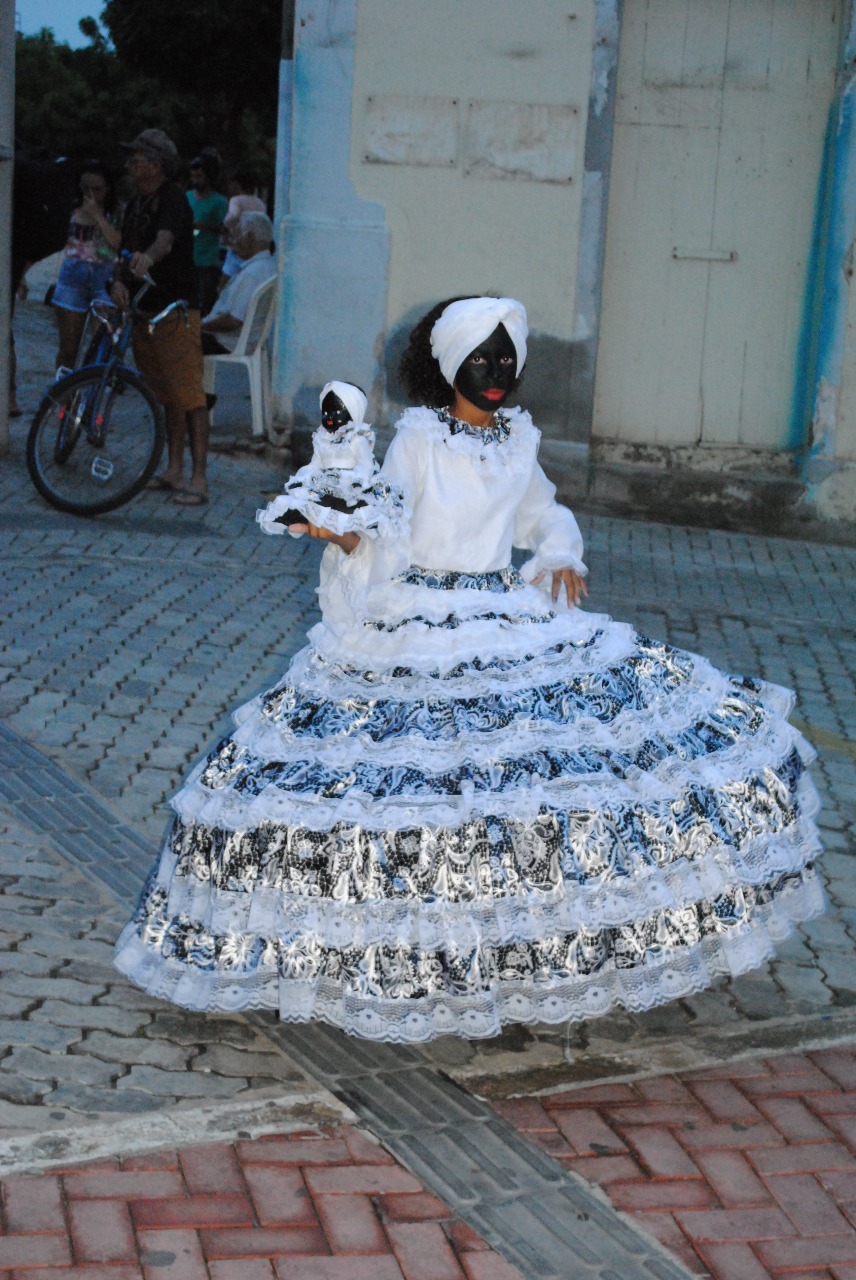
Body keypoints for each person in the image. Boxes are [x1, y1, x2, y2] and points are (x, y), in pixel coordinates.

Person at [114, 294, 824, 1043]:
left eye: (506, 359)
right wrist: (341, 536)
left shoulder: (518, 439)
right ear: (449, 365)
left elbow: (543, 513)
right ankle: (394, 956)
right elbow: (387, 525)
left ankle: (531, 953)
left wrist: (559, 552)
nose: (495, 374)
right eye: (480, 360)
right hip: (418, 619)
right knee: (409, 794)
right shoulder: (419, 439)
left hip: (507, 611)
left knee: (560, 782)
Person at [112, 128, 211, 506]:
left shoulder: (172, 199)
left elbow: (164, 241)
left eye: (136, 159)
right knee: (167, 394)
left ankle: (199, 479)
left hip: (174, 309)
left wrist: (148, 259)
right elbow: (125, 251)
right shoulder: (136, 203)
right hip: (144, 309)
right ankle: (173, 469)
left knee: (189, 394)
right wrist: (118, 281)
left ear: (155, 165)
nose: (129, 165)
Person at [256, 381, 406, 539]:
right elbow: (315, 464)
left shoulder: (356, 440)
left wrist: (358, 480)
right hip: (324, 485)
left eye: (336, 412)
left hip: (349, 487)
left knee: (351, 509)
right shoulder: (323, 440)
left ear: (353, 414)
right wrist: (302, 477)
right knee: (302, 501)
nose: (329, 416)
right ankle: (301, 517)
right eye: (326, 412)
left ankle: (348, 526)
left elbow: (365, 464)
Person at [52, 160, 121, 376]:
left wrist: (98, 216)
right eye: (85, 189)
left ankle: (93, 391)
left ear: (107, 189)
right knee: (68, 349)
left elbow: (119, 244)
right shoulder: (70, 209)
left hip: (104, 279)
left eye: (97, 189)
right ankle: (63, 391)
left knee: (100, 348)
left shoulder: (116, 213)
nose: (90, 194)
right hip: (72, 278)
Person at [199, 211, 276, 355]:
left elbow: (233, 321)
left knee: (174, 336)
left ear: (250, 237)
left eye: (238, 235)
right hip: (238, 342)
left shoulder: (253, 273)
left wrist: (200, 326)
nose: (234, 241)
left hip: (226, 344)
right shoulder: (269, 266)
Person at [186, 150, 227, 317]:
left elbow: (224, 228)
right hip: (187, 260)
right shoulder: (186, 197)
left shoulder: (219, 201)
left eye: (199, 177)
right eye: (193, 177)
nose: (195, 180)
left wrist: (204, 225)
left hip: (207, 261)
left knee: (202, 305)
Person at [219, 168, 266, 285]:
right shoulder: (260, 203)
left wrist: (225, 226)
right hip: (254, 248)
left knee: (225, 282)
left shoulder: (236, 200)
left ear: (236, 184)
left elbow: (233, 215)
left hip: (237, 247)